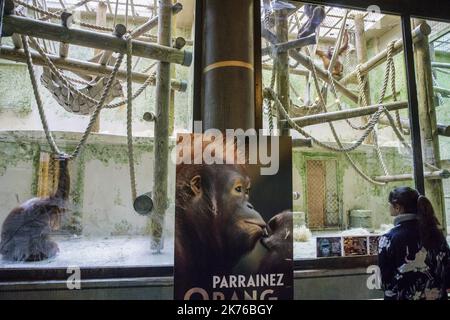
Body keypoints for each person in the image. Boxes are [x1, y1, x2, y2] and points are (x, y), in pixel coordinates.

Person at [378, 187, 450, 300]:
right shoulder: (437, 234)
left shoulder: (388, 239)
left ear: (397, 207)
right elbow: (447, 272)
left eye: (390, 204)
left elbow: (385, 281)